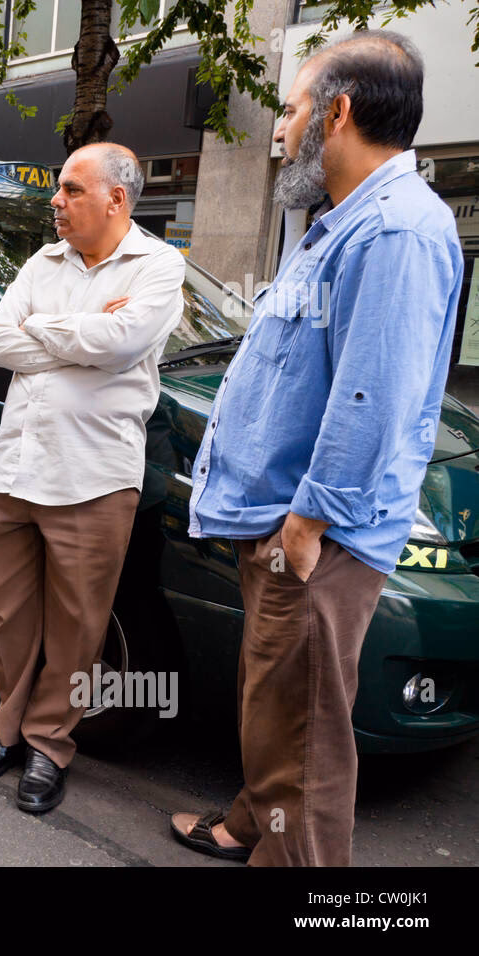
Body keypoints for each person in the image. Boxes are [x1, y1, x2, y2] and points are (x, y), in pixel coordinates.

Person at [172, 30, 463, 866]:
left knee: (304, 748)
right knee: (277, 711)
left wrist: (307, 524)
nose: (279, 127)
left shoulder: (398, 231)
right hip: (284, 523)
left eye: (292, 108)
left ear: (336, 113)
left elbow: (373, 396)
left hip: (312, 537)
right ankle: (243, 824)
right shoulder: (343, 223)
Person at [0, 143, 186, 812]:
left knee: (79, 629)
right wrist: (82, 331)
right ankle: (7, 731)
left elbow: (122, 345)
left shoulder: (158, 266)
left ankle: (50, 746)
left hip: (93, 476)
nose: (55, 201)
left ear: (116, 198)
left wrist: (44, 332)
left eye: (71, 190)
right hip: (16, 469)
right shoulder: (43, 260)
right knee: (8, 616)